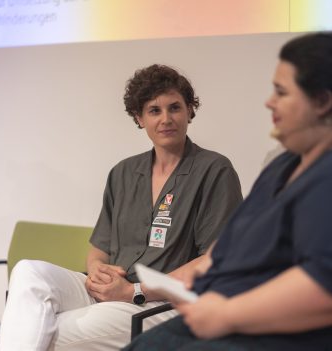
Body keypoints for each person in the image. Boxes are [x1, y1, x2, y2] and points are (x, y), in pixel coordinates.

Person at [0, 64, 242, 351]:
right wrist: (97, 269)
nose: (166, 119)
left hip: (163, 303)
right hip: (111, 291)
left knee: (46, 329)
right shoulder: (123, 172)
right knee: (28, 272)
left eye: (175, 107)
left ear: (189, 110)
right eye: (154, 110)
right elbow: (99, 249)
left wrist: (134, 291)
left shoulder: (213, 170)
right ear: (139, 118)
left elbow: (213, 261)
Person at [123, 32, 332, 351]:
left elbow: (322, 288)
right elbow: (233, 240)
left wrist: (228, 315)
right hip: (217, 310)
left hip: (275, 330)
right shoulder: (282, 165)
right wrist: (196, 277)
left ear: (322, 101)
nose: (269, 102)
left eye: (281, 92)